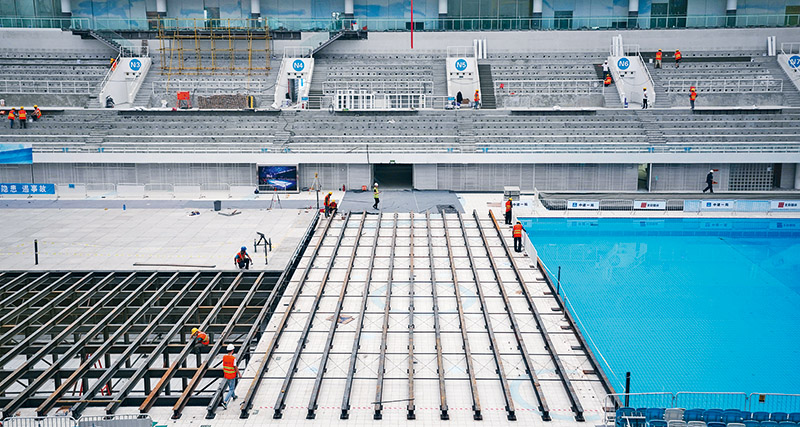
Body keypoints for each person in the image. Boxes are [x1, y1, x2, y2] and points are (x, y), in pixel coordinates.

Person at [220, 344, 240, 410]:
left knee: (231, 387)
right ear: (232, 350)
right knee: (231, 389)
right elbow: (235, 367)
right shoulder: (233, 359)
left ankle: (233, 396)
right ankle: (225, 402)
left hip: (226, 374)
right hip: (232, 375)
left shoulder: (224, 357)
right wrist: (239, 373)